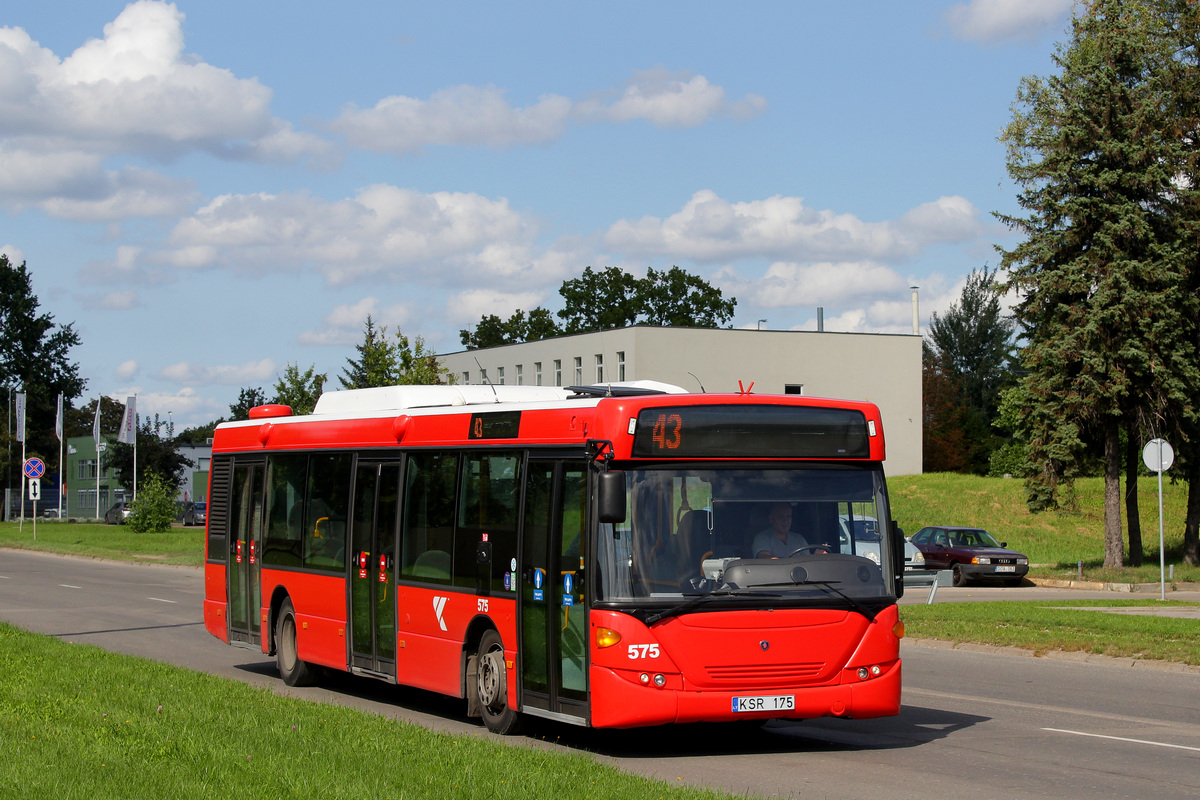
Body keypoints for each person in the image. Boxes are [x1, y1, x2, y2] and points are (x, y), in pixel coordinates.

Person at [752, 503, 816, 559]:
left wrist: (817, 556)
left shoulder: (799, 539)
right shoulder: (762, 538)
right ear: (771, 518)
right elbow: (764, 558)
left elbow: (807, 561)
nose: (785, 521)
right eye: (781, 517)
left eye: (788, 516)